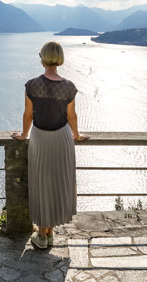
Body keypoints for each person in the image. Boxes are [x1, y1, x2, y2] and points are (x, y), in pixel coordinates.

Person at [11, 41, 89, 249]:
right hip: (62, 138)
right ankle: (50, 233)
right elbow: (71, 115)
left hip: (40, 137)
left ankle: (42, 235)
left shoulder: (32, 85)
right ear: (60, 58)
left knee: (41, 182)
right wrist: (77, 135)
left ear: (43, 58)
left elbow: (28, 115)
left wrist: (23, 134)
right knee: (57, 183)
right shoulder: (69, 86)